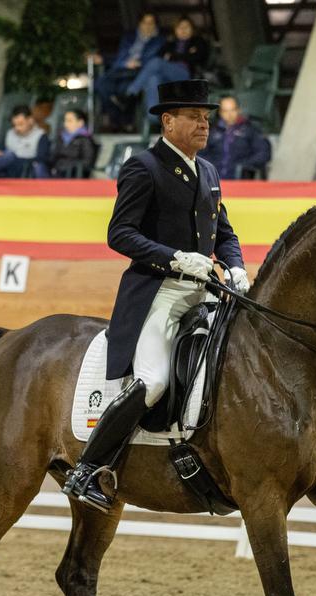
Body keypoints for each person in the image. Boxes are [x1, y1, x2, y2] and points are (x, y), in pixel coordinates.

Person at [62, 79, 247, 511]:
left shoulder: (209, 171)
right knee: (154, 381)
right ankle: (86, 468)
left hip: (204, 290)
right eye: (195, 118)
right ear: (168, 121)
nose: (204, 125)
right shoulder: (143, 168)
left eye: (206, 118)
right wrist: (176, 257)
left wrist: (235, 264)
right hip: (158, 292)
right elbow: (119, 234)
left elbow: (224, 232)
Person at [126, 17, 210, 118]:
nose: (183, 30)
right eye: (180, 27)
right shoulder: (171, 43)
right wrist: (185, 55)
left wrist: (173, 56)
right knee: (153, 78)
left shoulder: (198, 41)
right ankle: (153, 117)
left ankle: (130, 93)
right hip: (167, 77)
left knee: (157, 63)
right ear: (175, 30)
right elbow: (159, 56)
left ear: (192, 29)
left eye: (186, 27)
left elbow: (197, 58)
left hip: (187, 75)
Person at [92, 13, 163, 130]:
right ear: (140, 24)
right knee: (100, 85)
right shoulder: (129, 37)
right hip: (120, 70)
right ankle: (117, 117)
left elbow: (154, 61)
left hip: (138, 72)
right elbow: (119, 56)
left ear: (156, 25)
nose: (148, 26)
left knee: (125, 90)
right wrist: (104, 58)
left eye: (151, 23)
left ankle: (124, 121)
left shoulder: (159, 41)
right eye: (145, 22)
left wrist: (138, 63)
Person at [199, 94, 271, 179]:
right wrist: (210, 166)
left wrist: (244, 165)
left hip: (241, 181)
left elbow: (264, 153)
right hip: (213, 179)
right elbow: (199, 153)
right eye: (225, 111)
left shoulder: (250, 129)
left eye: (232, 110)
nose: (229, 114)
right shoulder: (210, 130)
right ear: (220, 112)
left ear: (238, 110)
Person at [0, 105, 50, 178]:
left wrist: (16, 158)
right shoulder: (10, 133)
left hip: (25, 169)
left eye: (21, 124)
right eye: (14, 125)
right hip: (5, 170)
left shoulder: (40, 136)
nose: (17, 128)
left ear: (30, 120)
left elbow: (41, 158)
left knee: (10, 155)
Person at [50, 108, 97, 177]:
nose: (65, 124)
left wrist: (69, 165)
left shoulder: (85, 139)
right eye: (65, 120)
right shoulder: (61, 137)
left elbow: (87, 161)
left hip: (74, 175)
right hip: (58, 172)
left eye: (70, 121)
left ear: (80, 122)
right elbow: (53, 156)